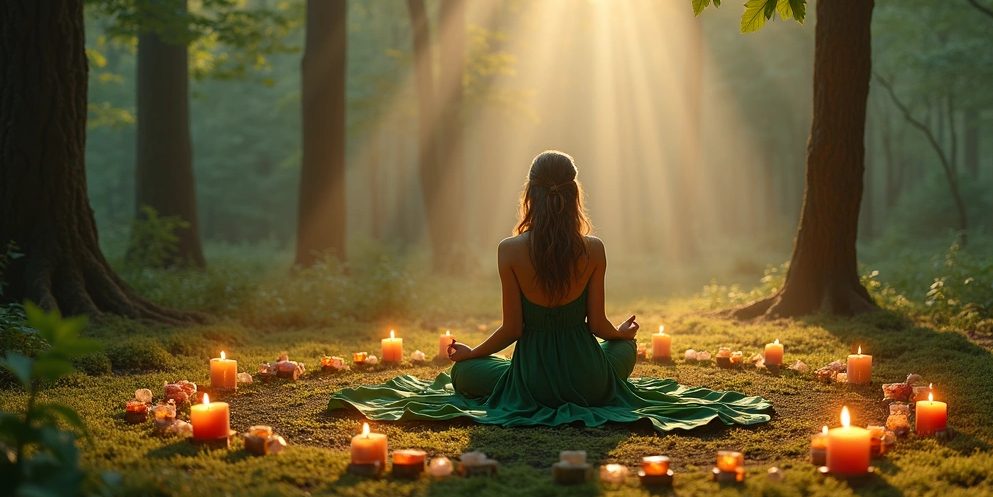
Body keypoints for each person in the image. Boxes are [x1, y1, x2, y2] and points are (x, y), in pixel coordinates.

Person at [328, 151, 773, 431]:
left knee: (466, 376)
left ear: (531, 196)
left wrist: (470, 353)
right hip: (590, 381)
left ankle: (488, 373)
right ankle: (601, 371)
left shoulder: (509, 250)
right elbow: (597, 326)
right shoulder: (594, 249)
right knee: (622, 355)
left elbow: (513, 329)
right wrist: (623, 334)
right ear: (574, 195)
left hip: (532, 383)